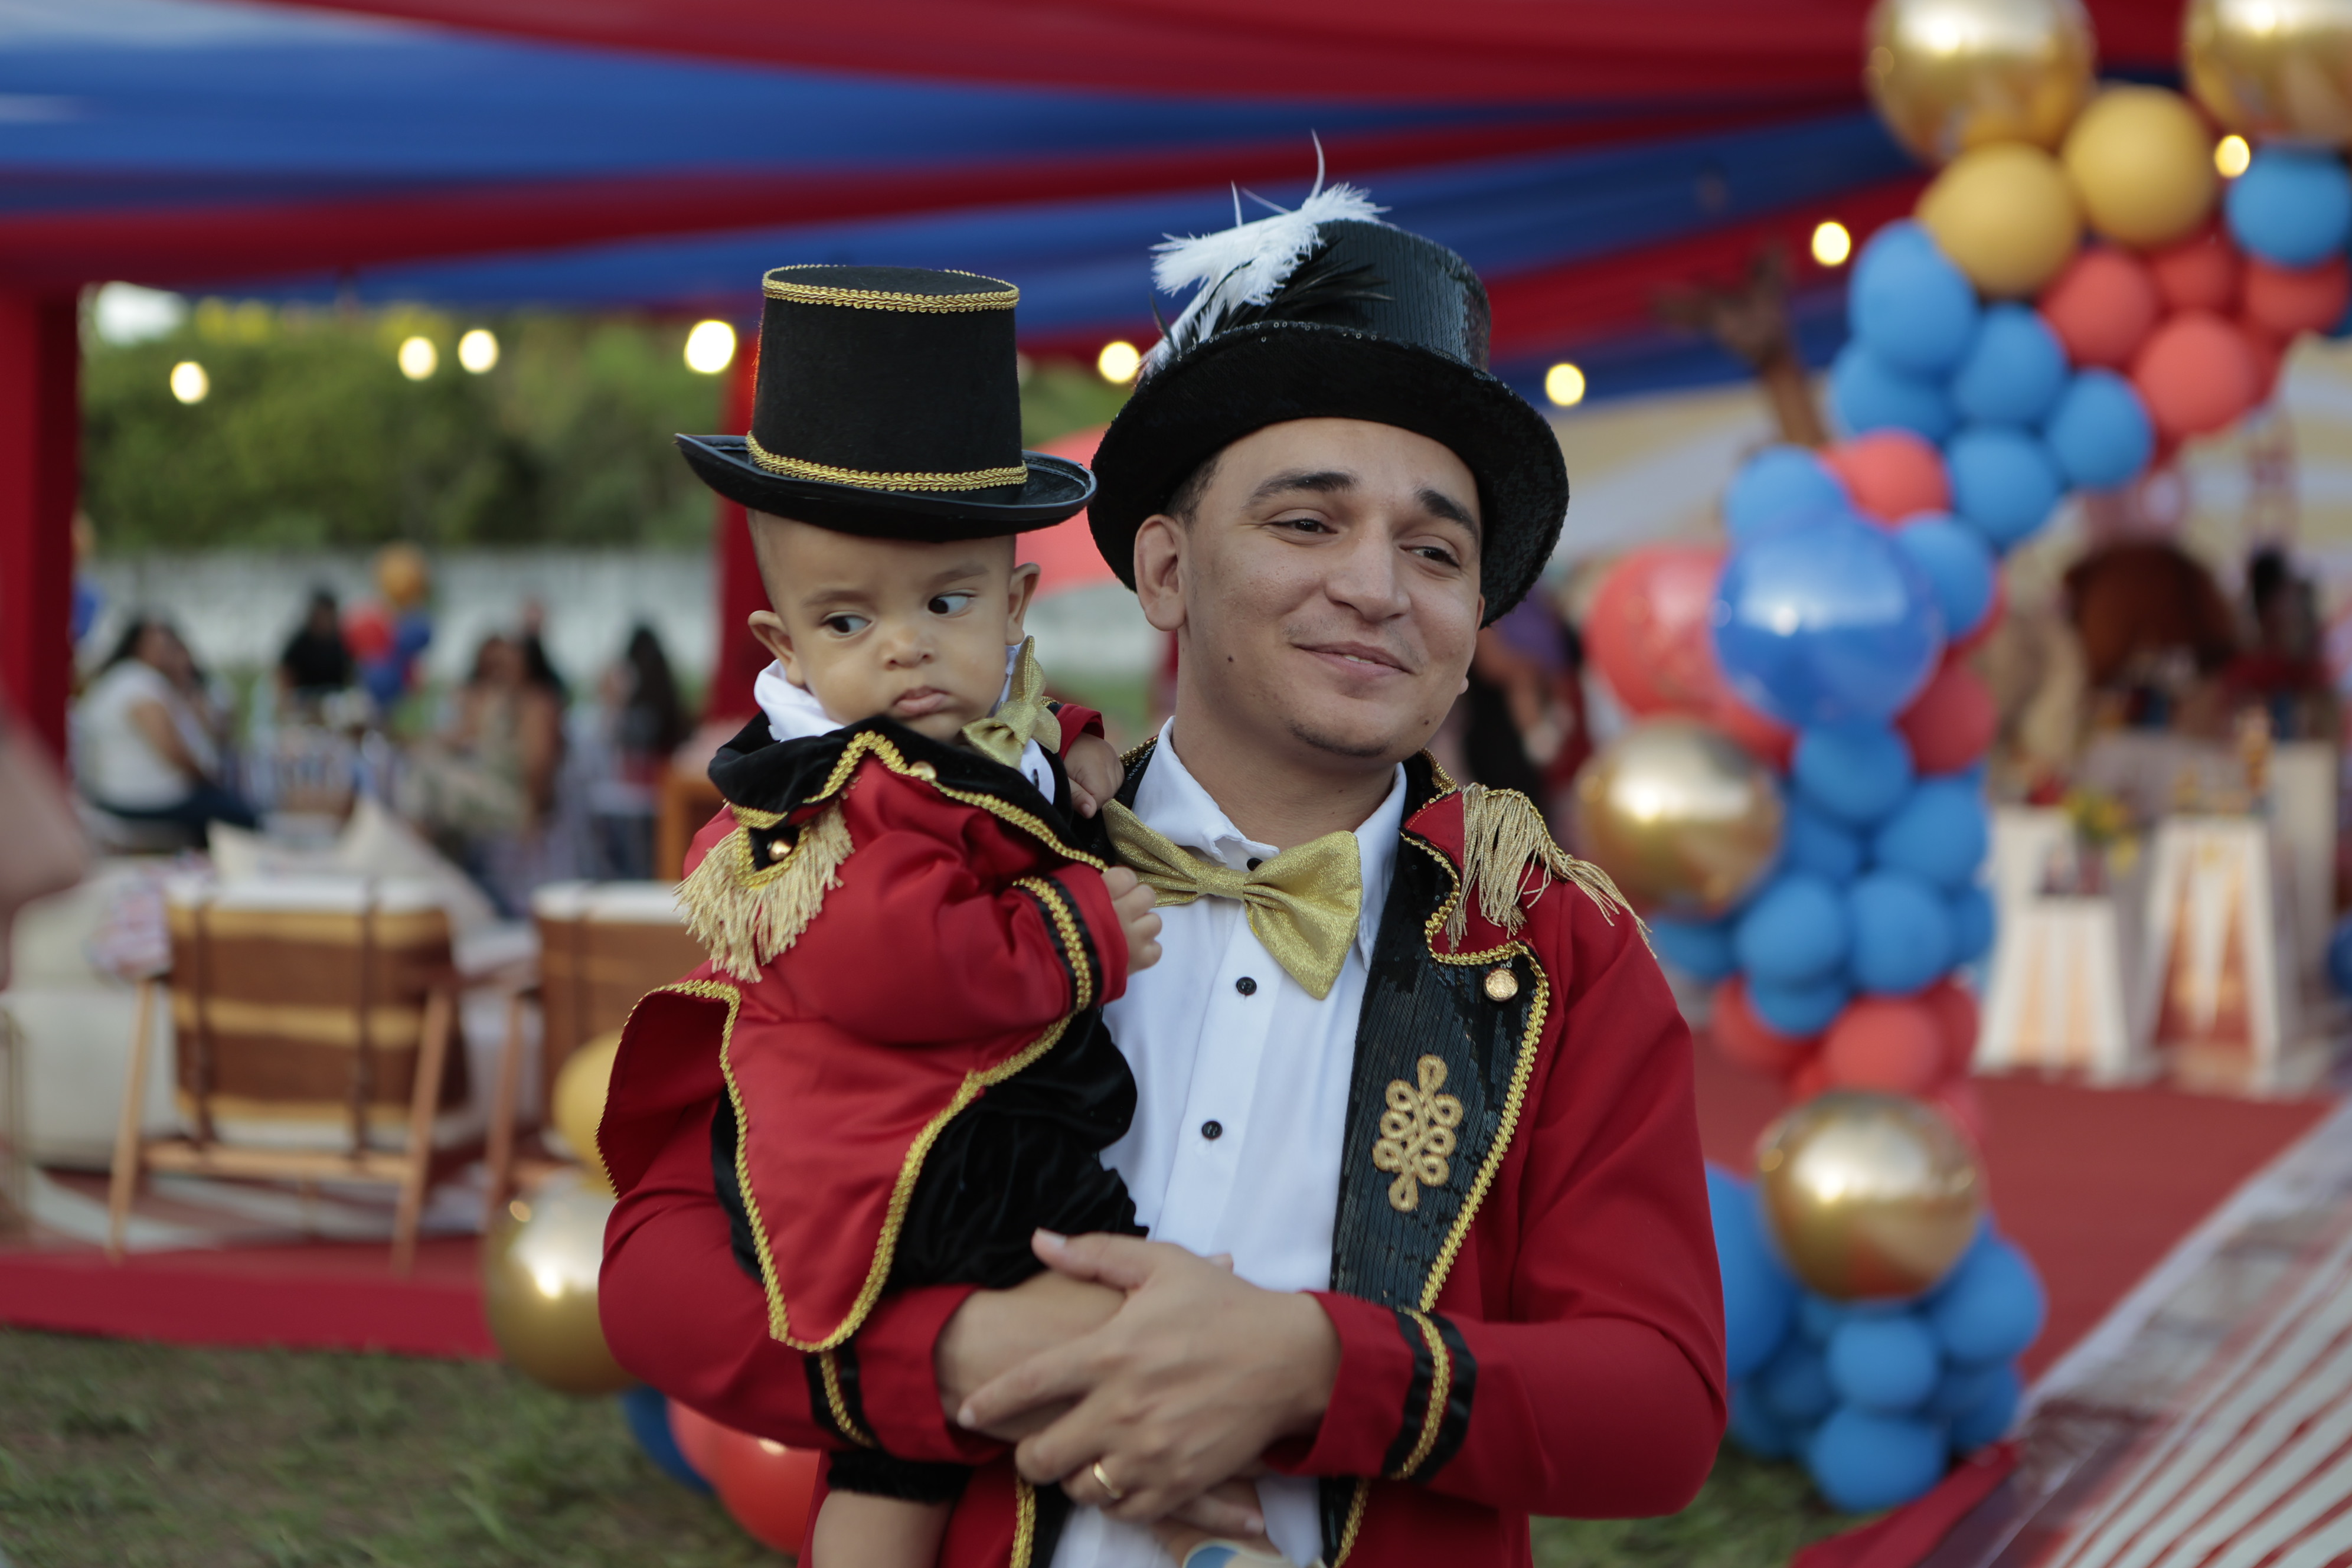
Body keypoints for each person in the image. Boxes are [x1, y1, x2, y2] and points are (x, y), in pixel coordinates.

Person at [600, 194, 1725, 1568]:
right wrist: (962, 1353)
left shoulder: (1548, 948)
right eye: (1307, 523)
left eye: (1435, 550)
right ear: (1165, 570)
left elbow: (1661, 1407)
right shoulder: (930, 862)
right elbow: (656, 1270)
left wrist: (1316, 1366)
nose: (1377, 585)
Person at [616, 264, 1179, 1568]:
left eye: (947, 603)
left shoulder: (970, 725)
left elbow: (1018, 739)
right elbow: (902, 958)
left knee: (920, 1434)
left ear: (1016, 608)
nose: (908, 649)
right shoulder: (839, 795)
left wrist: (1082, 743)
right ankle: (1180, 1492)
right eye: (849, 619)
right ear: (786, 643)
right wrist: (1082, 928)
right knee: (1101, 1294)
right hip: (910, 1150)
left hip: (953, 1114)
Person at [76, 616, 257, 839]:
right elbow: (173, 750)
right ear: (138, 646)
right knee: (244, 818)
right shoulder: (138, 683)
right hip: (145, 800)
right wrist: (208, 781)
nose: (167, 652)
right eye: (161, 645)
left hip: (124, 796)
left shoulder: (121, 681)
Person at [276, 589, 355, 707]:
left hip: (335, 701)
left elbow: (351, 675)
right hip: (305, 700)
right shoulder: (300, 643)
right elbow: (285, 674)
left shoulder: (341, 642)